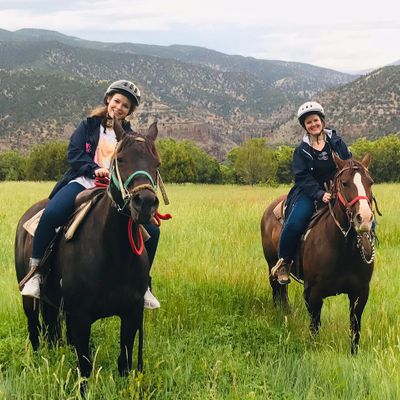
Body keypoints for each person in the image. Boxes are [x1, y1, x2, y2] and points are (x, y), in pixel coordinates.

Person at [21, 80, 161, 309]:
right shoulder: (88, 126)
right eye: (117, 101)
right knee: (52, 214)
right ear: (108, 100)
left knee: (153, 230)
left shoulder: (130, 136)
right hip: (84, 182)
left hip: (117, 190)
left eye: (125, 105)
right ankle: (36, 272)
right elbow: (74, 153)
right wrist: (94, 169)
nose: (119, 107)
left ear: (129, 111)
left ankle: (143, 284)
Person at [271, 101, 352, 285]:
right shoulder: (301, 151)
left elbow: (348, 164)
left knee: (363, 215)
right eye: (309, 122)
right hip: (308, 192)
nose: (313, 124)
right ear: (304, 126)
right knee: (294, 223)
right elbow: (301, 176)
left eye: (316, 120)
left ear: (322, 121)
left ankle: (365, 254)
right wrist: (319, 193)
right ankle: (284, 262)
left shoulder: (336, 142)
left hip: (337, 188)